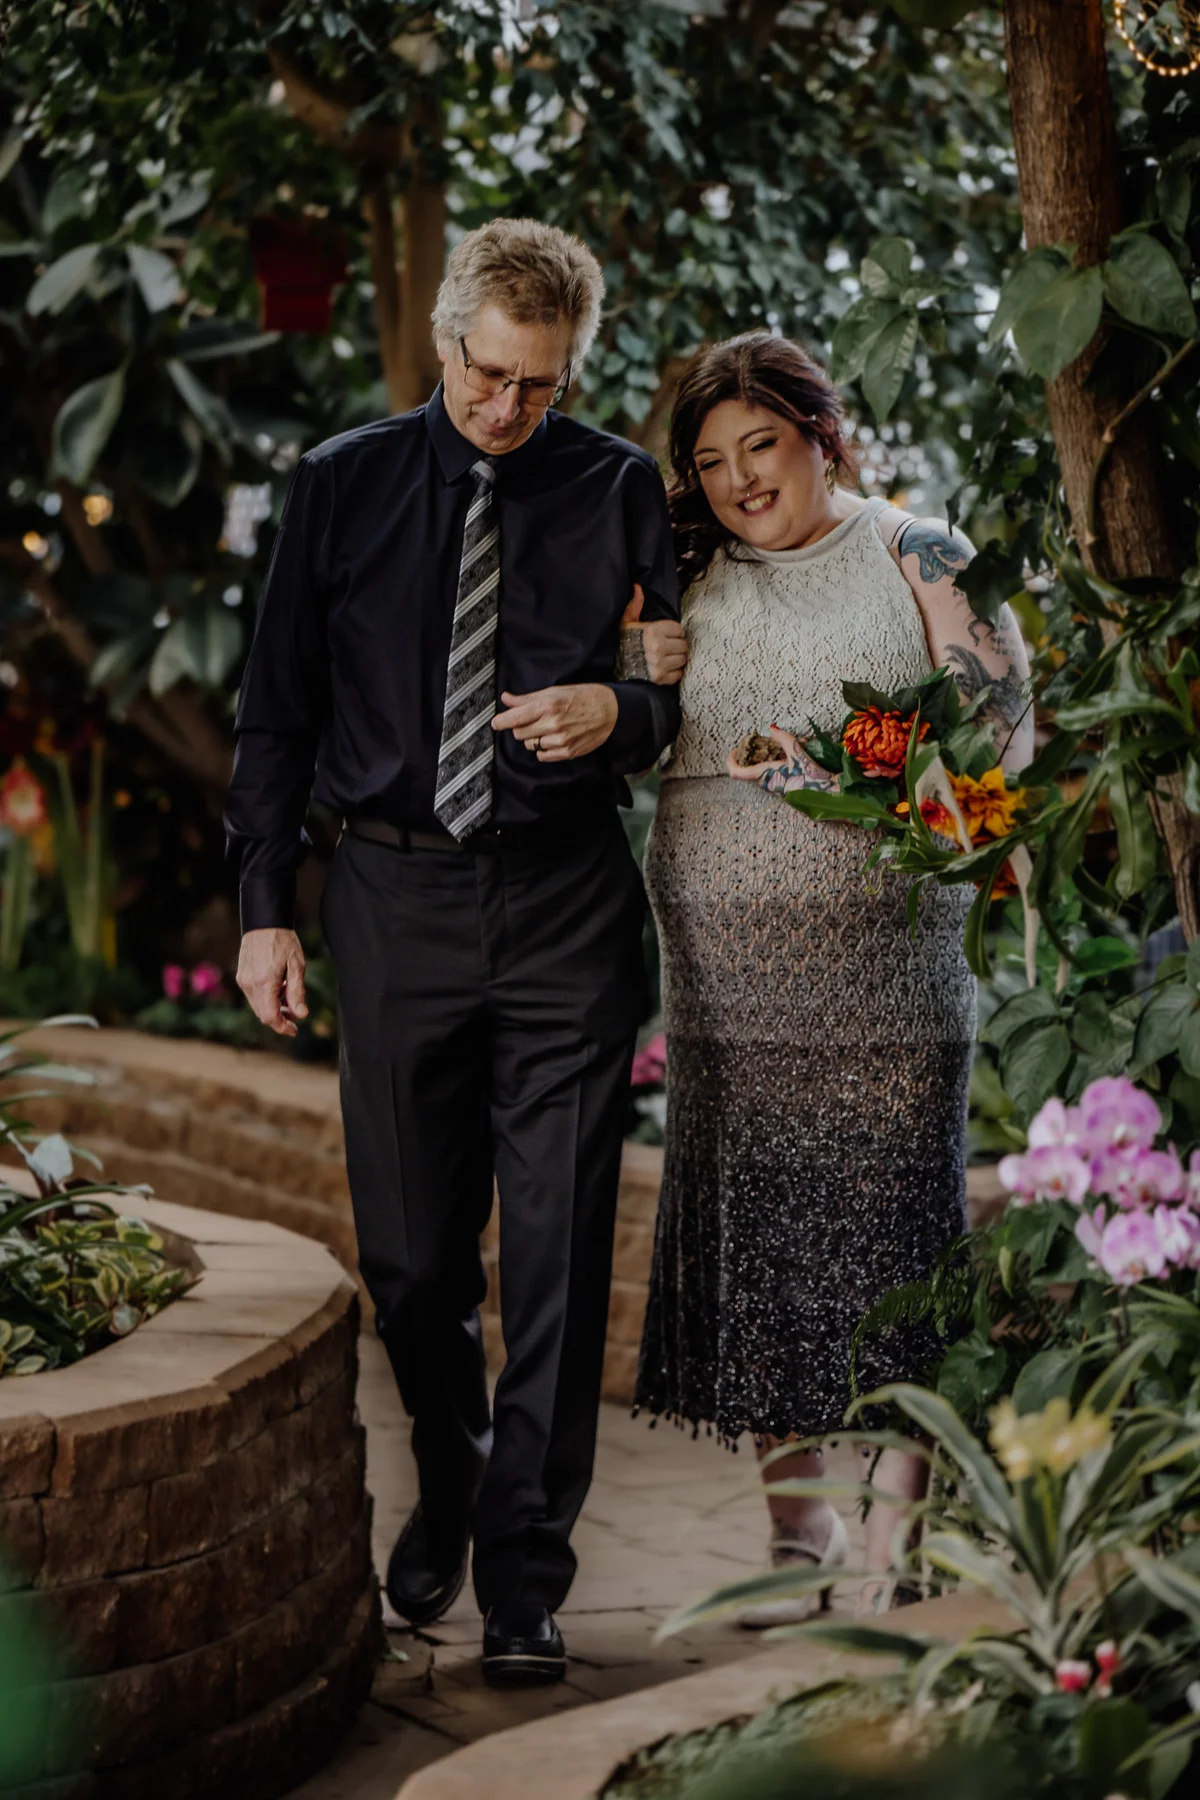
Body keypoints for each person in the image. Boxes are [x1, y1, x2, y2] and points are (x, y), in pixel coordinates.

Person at [226, 219, 681, 1686]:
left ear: (572, 370)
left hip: (562, 904)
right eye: (490, 376)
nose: (507, 411)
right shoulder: (341, 486)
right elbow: (276, 711)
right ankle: (455, 1470)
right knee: (414, 1265)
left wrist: (620, 713)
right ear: (444, 344)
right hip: (391, 898)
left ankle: (525, 1573)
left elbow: (677, 685)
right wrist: (263, 908)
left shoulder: (621, 490)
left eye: (539, 387)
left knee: (552, 1259)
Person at [626, 332, 1032, 1619]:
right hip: (725, 971)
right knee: (758, 1243)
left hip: (895, 970)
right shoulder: (679, 572)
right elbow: (629, 738)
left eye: (762, 445)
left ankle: (895, 1535)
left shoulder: (919, 549)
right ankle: (794, 1528)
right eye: (712, 460)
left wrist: (860, 779)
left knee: (903, 1231)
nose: (743, 479)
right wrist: (640, 672)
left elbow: (1003, 734)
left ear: (819, 432)